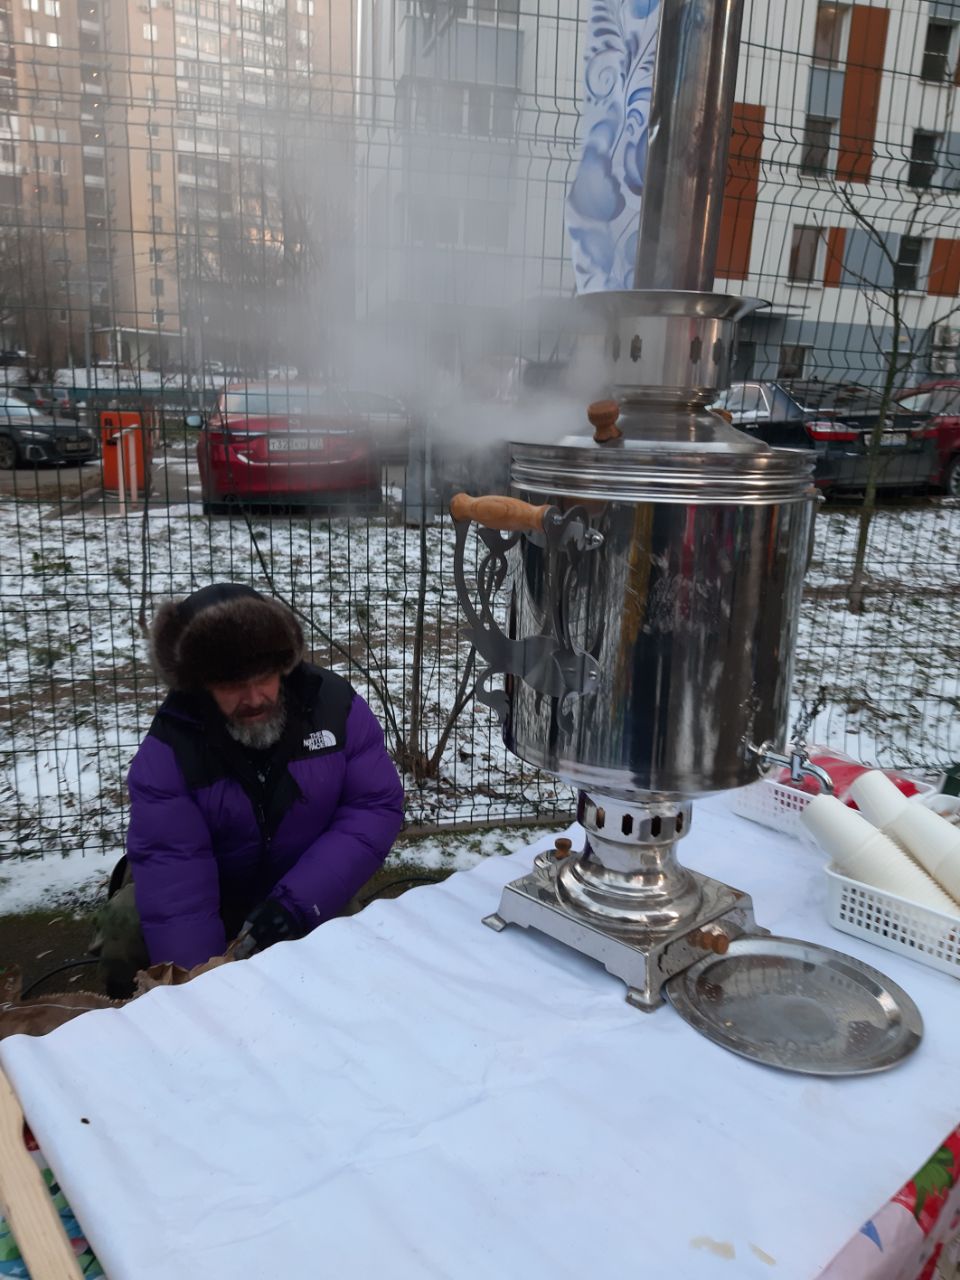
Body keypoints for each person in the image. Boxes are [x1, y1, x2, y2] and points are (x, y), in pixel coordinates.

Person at [95, 583, 404, 996]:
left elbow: (374, 806)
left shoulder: (335, 709)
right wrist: (203, 989)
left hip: (303, 879)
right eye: (231, 685)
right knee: (126, 926)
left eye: (264, 677)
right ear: (199, 685)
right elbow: (178, 885)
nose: (255, 698)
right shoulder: (169, 752)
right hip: (213, 894)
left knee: (346, 955)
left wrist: (296, 904)